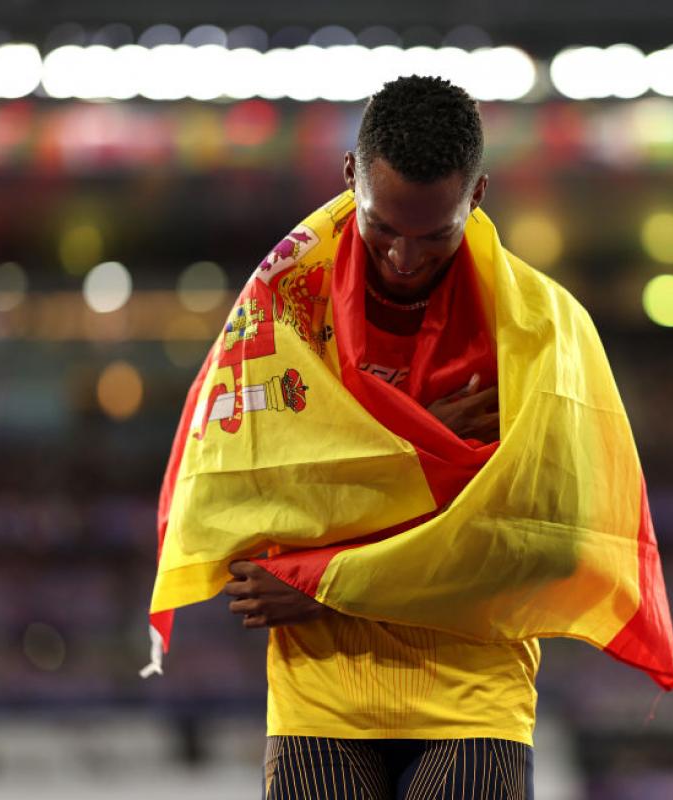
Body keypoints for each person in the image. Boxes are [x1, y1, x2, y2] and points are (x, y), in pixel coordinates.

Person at [224, 75, 537, 799]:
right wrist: (429, 453)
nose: (404, 258)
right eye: (383, 226)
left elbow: (525, 547)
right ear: (349, 177)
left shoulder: (528, 329)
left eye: (434, 235)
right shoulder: (284, 312)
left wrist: (325, 587)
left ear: (478, 195)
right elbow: (263, 507)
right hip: (321, 694)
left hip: (472, 695)